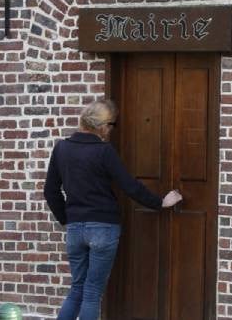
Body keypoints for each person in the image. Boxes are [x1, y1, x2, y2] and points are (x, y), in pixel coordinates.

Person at [44, 99, 182, 320]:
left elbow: (50, 191)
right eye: (112, 125)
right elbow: (129, 185)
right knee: (92, 293)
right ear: (102, 126)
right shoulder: (103, 151)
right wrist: (160, 202)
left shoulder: (62, 148)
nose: (111, 130)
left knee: (77, 288)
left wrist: (67, 219)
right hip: (103, 228)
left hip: (75, 229)